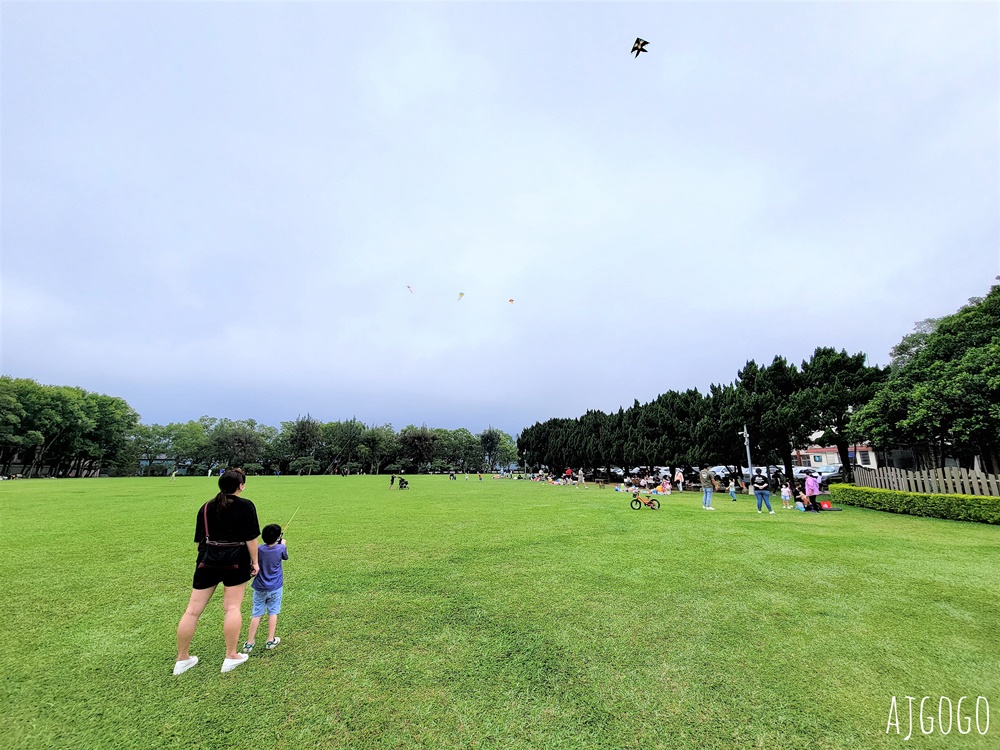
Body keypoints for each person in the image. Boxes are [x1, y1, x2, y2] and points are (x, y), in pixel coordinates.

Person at [175, 469, 260, 675]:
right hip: (236, 561)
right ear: (241, 486)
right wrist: (255, 563)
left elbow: (199, 543)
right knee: (232, 607)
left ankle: (182, 658)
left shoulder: (206, 507)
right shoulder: (245, 506)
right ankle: (231, 655)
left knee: (192, 610)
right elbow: (251, 540)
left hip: (207, 562)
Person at [243, 524, 288, 654]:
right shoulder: (281, 548)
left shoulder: (258, 549)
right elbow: (285, 556)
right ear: (278, 537)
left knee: (256, 613)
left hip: (259, 587)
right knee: (273, 612)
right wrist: (283, 543)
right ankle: (270, 640)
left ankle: (249, 643)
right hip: (275, 587)